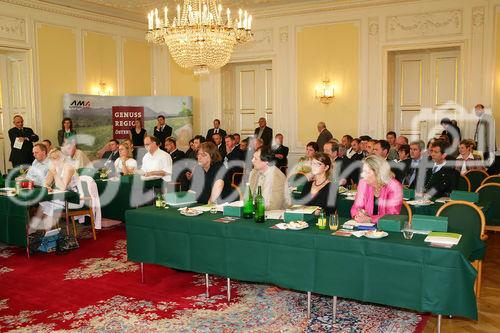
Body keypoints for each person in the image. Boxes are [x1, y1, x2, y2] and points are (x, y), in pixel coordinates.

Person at [31, 148, 84, 232]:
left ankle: (48, 234)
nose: (52, 161)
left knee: (49, 204)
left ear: (62, 158)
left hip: (75, 198)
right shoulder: (54, 168)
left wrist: (54, 173)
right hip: (62, 198)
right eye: (51, 158)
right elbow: (46, 183)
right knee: (44, 202)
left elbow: (63, 187)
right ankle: (45, 232)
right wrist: (46, 186)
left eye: (54, 158)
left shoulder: (68, 168)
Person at [350, 155, 403, 223]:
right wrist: (358, 215)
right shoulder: (363, 183)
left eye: (367, 172)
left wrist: (370, 219)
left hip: (386, 228)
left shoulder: (394, 186)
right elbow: (355, 207)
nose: (362, 175)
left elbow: (391, 215)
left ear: (378, 172)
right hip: (366, 228)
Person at [248, 146, 288, 210]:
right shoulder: (254, 172)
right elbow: (247, 195)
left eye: (255, 158)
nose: (252, 160)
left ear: (266, 162)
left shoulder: (277, 178)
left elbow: (273, 206)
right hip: (255, 211)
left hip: (274, 216)